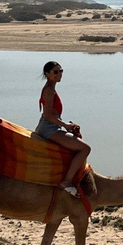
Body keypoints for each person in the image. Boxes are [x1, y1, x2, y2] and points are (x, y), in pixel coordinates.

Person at [35, 61, 91, 197]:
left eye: (61, 71)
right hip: (49, 129)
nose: (59, 74)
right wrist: (65, 125)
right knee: (85, 149)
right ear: (47, 74)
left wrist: (65, 124)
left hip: (51, 126)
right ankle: (66, 181)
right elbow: (48, 115)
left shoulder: (51, 88)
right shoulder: (49, 90)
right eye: (55, 72)